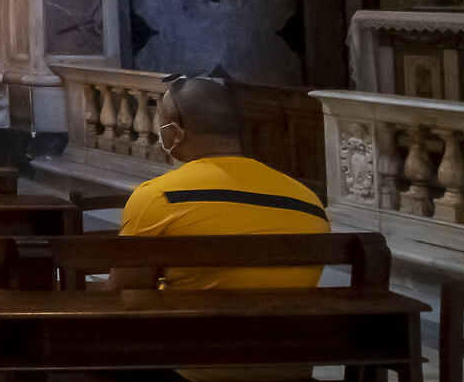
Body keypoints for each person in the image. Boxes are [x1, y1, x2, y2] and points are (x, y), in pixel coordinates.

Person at [115, 74, 329, 293]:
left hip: (200, 326)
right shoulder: (309, 201)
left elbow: (123, 292)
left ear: (175, 133)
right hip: (293, 326)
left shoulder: (158, 197)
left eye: (161, 123)